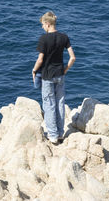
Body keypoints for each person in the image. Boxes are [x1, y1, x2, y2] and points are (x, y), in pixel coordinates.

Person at [32, 11, 76, 145]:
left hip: (47, 76)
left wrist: (34, 70)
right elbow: (73, 57)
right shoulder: (64, 37)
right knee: (60, 103)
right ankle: (61, 133)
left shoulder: (43, 39)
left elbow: (40, 60)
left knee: (49, 105)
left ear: (47, 23)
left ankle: (52, 135)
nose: (42, 27)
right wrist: (65, 69)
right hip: (60, 75)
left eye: (42, 25)